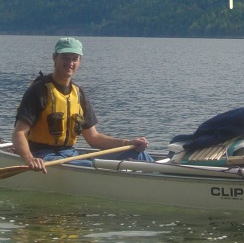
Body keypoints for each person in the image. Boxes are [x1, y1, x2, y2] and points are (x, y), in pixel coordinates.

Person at [11, 37, 154, 174]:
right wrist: (30, 159)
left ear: (80, 61)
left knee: (136, 153)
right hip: (42, 155)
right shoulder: (38, 91)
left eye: (74, 58)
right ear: (54, 57)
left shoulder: (79, 94)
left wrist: (128, 142)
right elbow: (19, 133)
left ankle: (164, 173)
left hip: (70, 154)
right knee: (89, 165)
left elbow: (94, 138)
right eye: (65, 58)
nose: (70, 63)